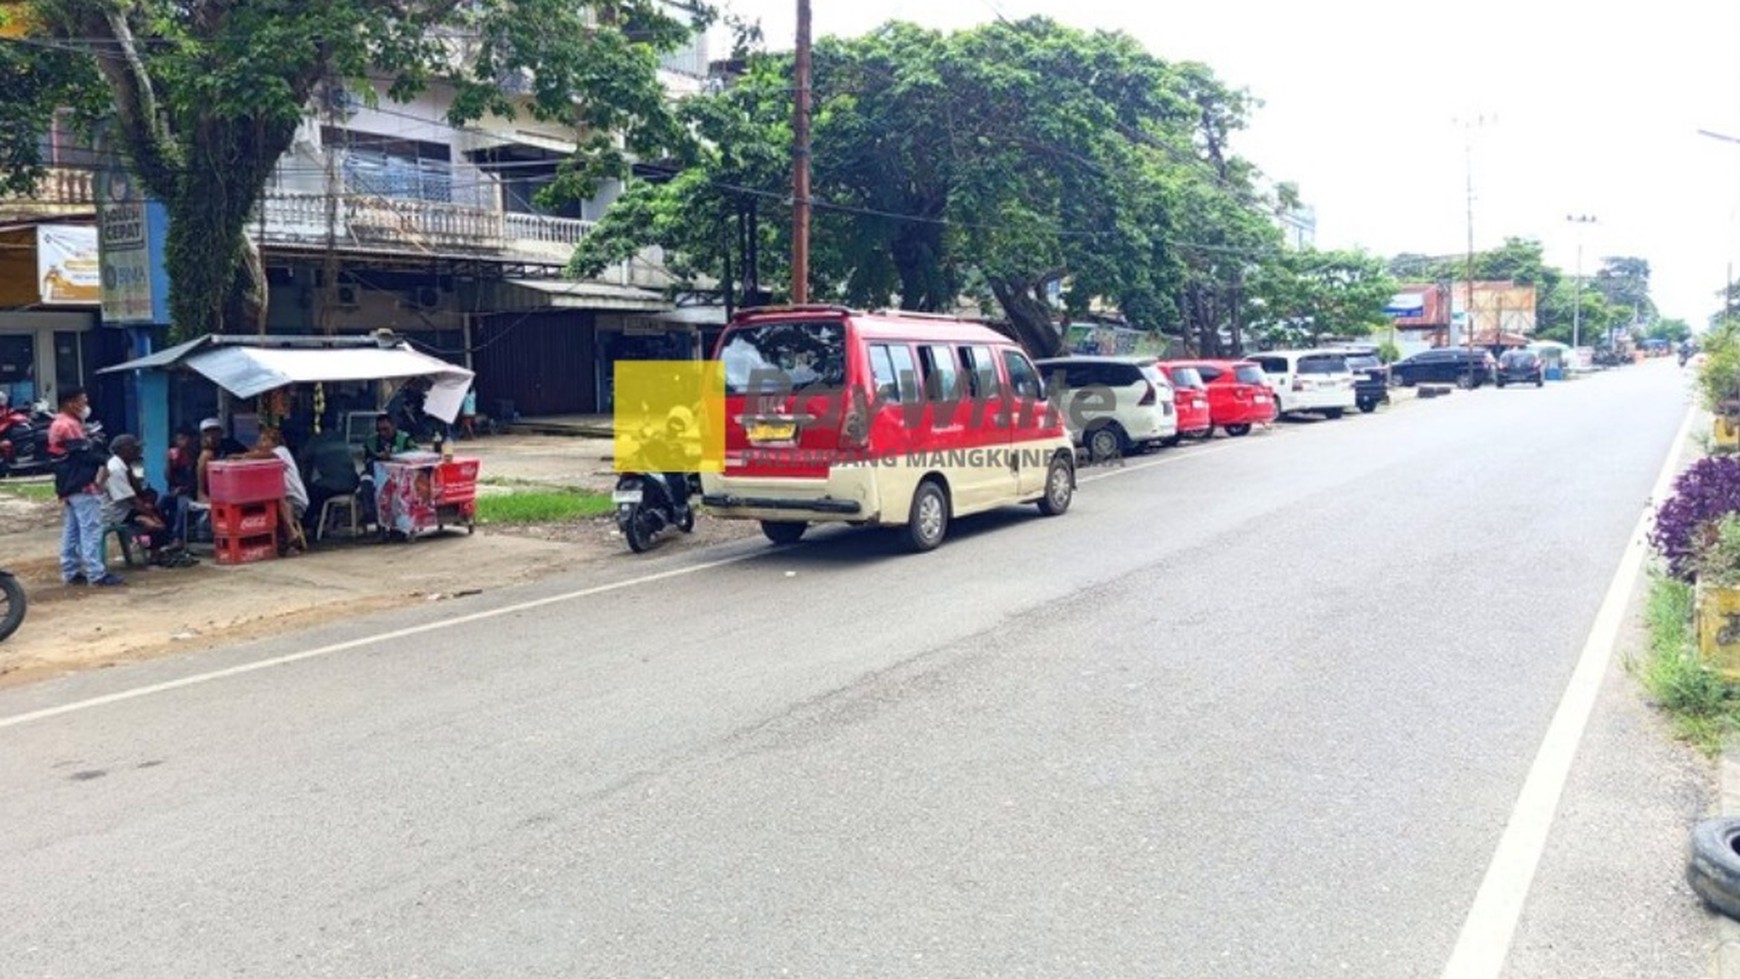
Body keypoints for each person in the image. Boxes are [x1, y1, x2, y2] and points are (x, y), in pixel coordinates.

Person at [48, 387, 122, 587]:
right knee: (90, 529)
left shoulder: (58, 423)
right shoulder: (69, 425)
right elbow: (84, 455)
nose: (85, 405)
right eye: (82, 401)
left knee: (72, 530)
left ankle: (70, 570)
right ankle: (96, 574)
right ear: (71, 403)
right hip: (81, 483)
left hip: (68, 484)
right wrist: (107, 458)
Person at [102, 435, 191, 567]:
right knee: (157, 520)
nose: (138, 450)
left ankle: (160, 548)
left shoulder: (124, 465)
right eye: (134, 448)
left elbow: (138, 491)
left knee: (161, 505)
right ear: (124, 449)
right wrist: (151, 515)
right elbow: (132, 500)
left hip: (124, 507)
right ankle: (156, 553)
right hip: (116, 512)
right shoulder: (116, 468)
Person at [244, 428, 309, 554]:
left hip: (296, 500)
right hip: (282, 499)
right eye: (260, 440)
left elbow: (268, 455)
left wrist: (244, 456)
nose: (260, 443)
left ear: (273, 442)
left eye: (264, 440)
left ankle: (292, 535)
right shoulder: (265, 459)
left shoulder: (281, 451)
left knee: (280, 498)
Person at [299, 423, 361, 535]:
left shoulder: (316, 440)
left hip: (335, 484)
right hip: (353, 482)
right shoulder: (340, 437)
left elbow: (303, 458)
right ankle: (326, 521)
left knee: (310, 492)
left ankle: (307, 525)